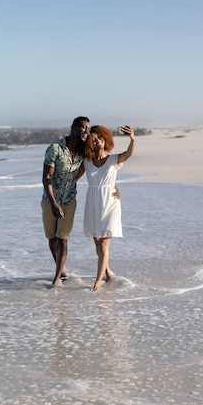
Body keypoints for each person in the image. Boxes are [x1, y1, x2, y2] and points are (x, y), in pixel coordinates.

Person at [82, 125, 135, 291]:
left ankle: (98, 280)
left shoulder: (113, 160)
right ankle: (108, 273)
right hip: (93, 203)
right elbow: (73, 178)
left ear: (106, 140)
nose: (97, 140)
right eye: (94, 138)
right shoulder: (87, 162)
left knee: (104, 243)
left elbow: (129, 153)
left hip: (110, 203)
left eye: (100, 137)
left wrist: (132, 138)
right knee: (97, 243)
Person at [42, 116, 90, 287]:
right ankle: (61, 270)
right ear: (73, 128)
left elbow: (100, 163)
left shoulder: (84, 152)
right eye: (83, 127)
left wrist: (113, 186)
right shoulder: (55, 148)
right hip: (50, 201)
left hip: (69, 201)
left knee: (63, 238)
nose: (86, 131)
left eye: (88, 128)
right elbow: (46, 177)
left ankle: (56, 279)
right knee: (52, 239)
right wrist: (54, 203)